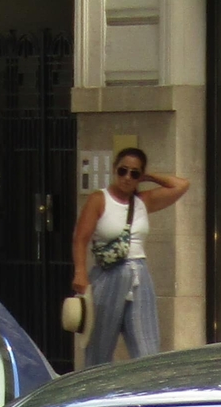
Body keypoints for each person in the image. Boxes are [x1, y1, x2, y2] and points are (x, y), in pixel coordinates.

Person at [71, 147, 187, 364]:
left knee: (147, 349)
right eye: (123, 171)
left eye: (134, 173)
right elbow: (80, 238)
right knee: (100, 347)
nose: (127, 177)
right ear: (115, 170)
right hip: (108, 273)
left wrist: (150, 177)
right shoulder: (100, 199)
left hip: (138, 273)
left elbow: (181, 185)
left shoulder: (143, 201)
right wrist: (80, 273)